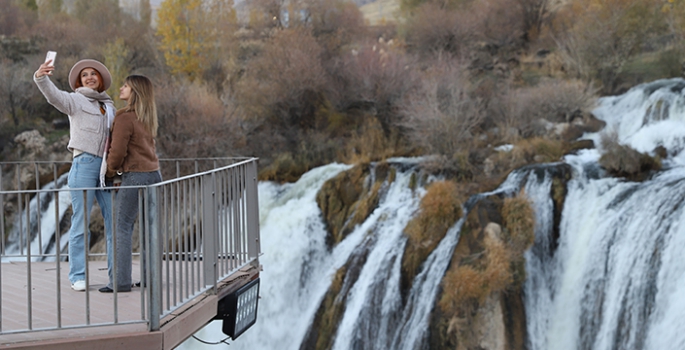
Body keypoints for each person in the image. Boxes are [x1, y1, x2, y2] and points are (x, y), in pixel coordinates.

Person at [34, 58, 115, 292]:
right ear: (79, 81)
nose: (89, 77)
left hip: (107, 169)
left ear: (100, 79)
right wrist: (41, 77)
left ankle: (117, 275)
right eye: (84, 75)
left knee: (114, 222)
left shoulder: (109, 107)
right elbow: (54, 96)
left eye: (93, 74)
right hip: (84, 165)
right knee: (80, 222)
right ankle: (77, 275)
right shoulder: (75, 101)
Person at [100, 75, 161, 293]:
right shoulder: (147, 116)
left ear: (134, 91)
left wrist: (108, 173)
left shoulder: (125, 117)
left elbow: (117, 152)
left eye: (125, 86)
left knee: (121, 227)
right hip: (154, 175)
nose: (121, 88)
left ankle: (120, 282)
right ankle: (150, 278)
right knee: (149, 228)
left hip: (134, 176)